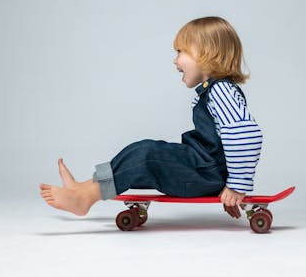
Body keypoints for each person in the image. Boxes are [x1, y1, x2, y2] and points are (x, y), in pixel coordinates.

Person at [39, 16, 263, 217]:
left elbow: (246, 135)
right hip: (203, 169)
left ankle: (84, 199)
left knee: (147, 155)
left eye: (180, 52)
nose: (175, 61)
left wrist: (236, 185)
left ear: (207, 54)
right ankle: (83, 189)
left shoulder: (221, 90)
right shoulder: (211, 92)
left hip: (206, 174)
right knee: (142, 150)